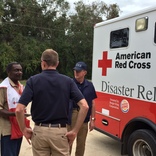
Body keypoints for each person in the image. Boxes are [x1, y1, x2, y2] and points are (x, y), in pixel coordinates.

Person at [15, 49, 89, 156]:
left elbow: (19, 109)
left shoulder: (33, 81)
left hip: (40, 132)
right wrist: (75, 131)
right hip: (59, 133)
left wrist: (23, 129)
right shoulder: (68, 81)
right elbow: (85, 106)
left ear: (43, 63)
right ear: (57, 63)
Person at [0, 62, 30, 156]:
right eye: (16, 70)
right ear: (8, 72)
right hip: (7, 130)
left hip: (19, 127)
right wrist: (16, 114)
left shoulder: (21, 87)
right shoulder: (3, 88)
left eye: (20, 70)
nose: (19, 72)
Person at [68, 61, 97, 156]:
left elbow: (92, 103)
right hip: (71, 115)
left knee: (81, 144)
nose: (76, 72)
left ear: (84, 72)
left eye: (79, 71)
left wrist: (93, 120)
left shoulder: (89, 85)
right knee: (68, 142)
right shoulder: (69, 84)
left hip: (84, 118)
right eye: (75, 70)